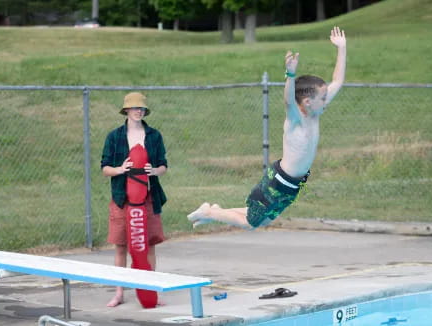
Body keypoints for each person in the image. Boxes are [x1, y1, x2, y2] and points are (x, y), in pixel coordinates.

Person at [188, 26, 346, 229]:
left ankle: (214, 211)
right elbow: (288, 101)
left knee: (263, 219)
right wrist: (290, 74)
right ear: (307, 101)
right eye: (323, 98)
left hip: (293, 184)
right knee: (251, 223)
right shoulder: (296, 118)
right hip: (280, 181)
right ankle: (209, 212)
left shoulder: (315, 113)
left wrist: (341, 48)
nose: (327, 101)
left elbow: (338, 81)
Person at [101, 92, 168, 307]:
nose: (138, 111)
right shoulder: (115, 137)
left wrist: (154, 170)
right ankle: (119, 293)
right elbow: (105, 168)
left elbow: (164, 166)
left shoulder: (154, 136)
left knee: (149, 246)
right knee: (121, 246)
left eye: (142, 108)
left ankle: (151, 290)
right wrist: (121, 169)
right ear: (127, 110)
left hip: (148, 199)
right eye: (134, 108)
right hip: (123, 199)